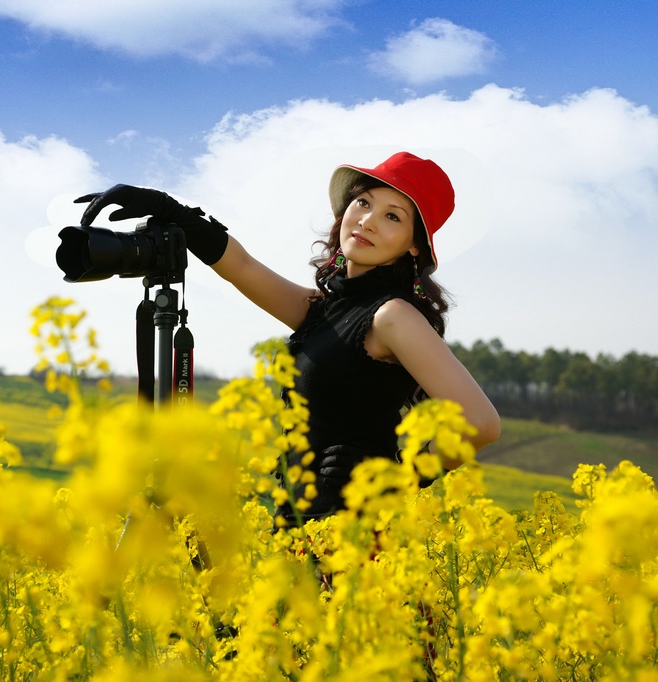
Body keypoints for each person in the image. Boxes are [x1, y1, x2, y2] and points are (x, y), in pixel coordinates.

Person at [76, 151, 500, 526]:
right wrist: (169, 208)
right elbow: (240, 266)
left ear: (413, 247)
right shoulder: (327, 309)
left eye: (393, 216)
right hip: (301, 523)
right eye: (363, 202)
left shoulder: (393, 316)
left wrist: (399, 481)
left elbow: (481, 423)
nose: (368, 220)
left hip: (348, 536)